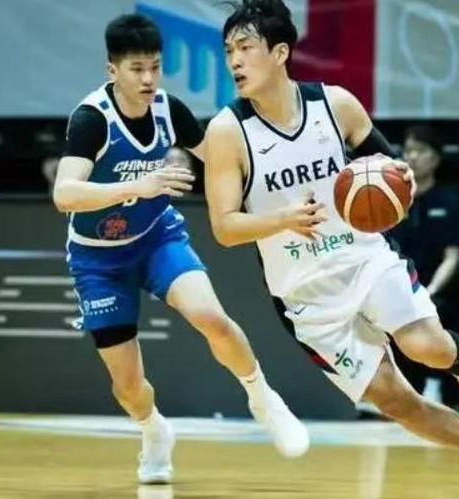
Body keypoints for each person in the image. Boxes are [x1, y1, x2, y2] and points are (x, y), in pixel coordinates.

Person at [202, 1, 459, 497]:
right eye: (229, 50)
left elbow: (391, 167)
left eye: (245, 48)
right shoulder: (227, 131)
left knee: (425, 345)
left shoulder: (335, 105)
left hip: (365, 259)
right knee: (397, 403)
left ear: (280, 52)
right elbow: (224, 227)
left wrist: (402, 180)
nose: (234, 60)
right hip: (305, 295)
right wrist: (282, 220)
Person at [53, 13, 308, 485]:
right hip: (98, 260)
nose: (148, 79)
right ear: (113, 70)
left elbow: (225, 160)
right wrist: (140, 186)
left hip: (157, 238)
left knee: (212, 317)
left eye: (155, 67)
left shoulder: (170, 110)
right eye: (136, 69)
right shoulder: (92, 120)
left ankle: (263, 399)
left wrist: (282, 190)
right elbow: (65, 194)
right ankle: (154, 431)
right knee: (129, 387)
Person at [387, 124, 459, 406]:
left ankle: (435, 383)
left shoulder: (450, 203)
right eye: (409, 150)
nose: (413, 156)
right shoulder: (389, 197)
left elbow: (453, 257)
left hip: (435, 287)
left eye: (421, 150)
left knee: (442, 309)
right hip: (395, 283)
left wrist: (429, 290)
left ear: (436, 158)